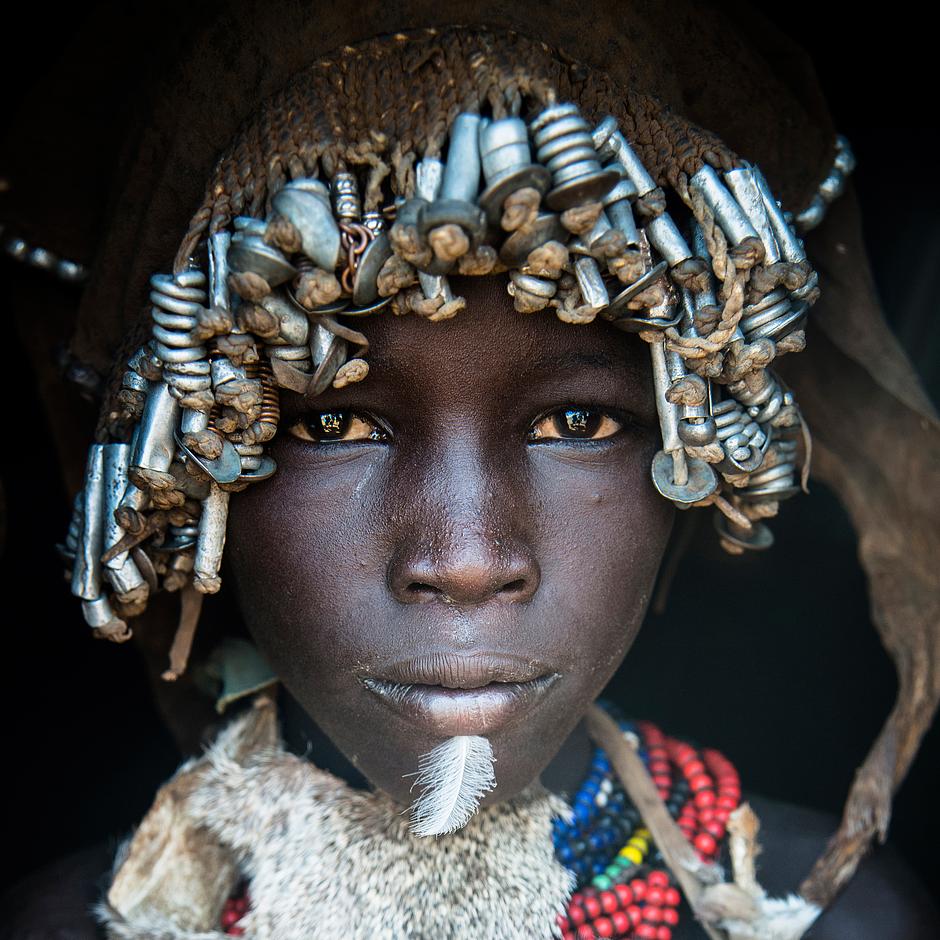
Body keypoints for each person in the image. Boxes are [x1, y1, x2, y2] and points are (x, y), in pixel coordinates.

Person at [2, 6, 938, 939]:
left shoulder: (829, 918)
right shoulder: (72, 927)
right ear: (191, 478)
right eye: (333, 422)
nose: (464, 559)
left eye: (577, 421)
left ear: (692, 463)